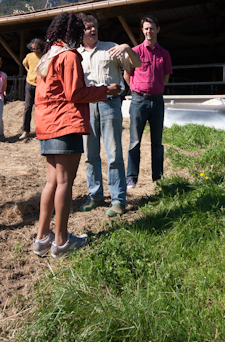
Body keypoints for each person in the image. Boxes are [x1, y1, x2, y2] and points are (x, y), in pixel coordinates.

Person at [31, 13, 119, 258]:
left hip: (47, 125)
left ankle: (42, 238)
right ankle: (61, 241)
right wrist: (105, 90)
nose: (82, 35)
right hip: (64, 123)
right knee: (65, 183)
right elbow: (75, 93)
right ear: (72, 31)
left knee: (51, 182)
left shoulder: (49, 56)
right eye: (80, 30)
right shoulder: (68, 55)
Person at [77, 14, 141, 217]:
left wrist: (127, 48)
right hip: (86, 106)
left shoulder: (112, 47)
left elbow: (137, 64)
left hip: (109, 105)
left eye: (94, 26)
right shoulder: (76, 54)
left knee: (113, 154)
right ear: (81, 31)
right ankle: (95, 195)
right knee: (90, 155)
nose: (93, 29)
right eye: (88, 27)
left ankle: (118, 199)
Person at [124, 15, 172, 187]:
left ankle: (157, 177)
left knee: (157, 142)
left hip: (157, 101)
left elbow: (165, 77)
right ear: (142, 31)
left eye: (151, 28)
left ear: (158, 29)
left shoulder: (164, 54)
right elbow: (126, 75)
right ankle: (131, 177)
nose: (149, 31)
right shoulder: (135, 51)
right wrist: (137, 90)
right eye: (146, 28)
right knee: (134, 141)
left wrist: (155, 88)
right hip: (139, 101)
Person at [18, 38, 44, 140]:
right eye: (33, 49)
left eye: (37, 48)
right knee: (27, 107)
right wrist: (29, 72)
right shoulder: (29, 56)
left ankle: (40, 131)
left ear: (40, 47)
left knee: (40, 108)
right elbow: (25, 64)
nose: (35, 51)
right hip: (30, 83)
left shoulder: (45, 56)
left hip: (41, 84)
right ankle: (25, 130)